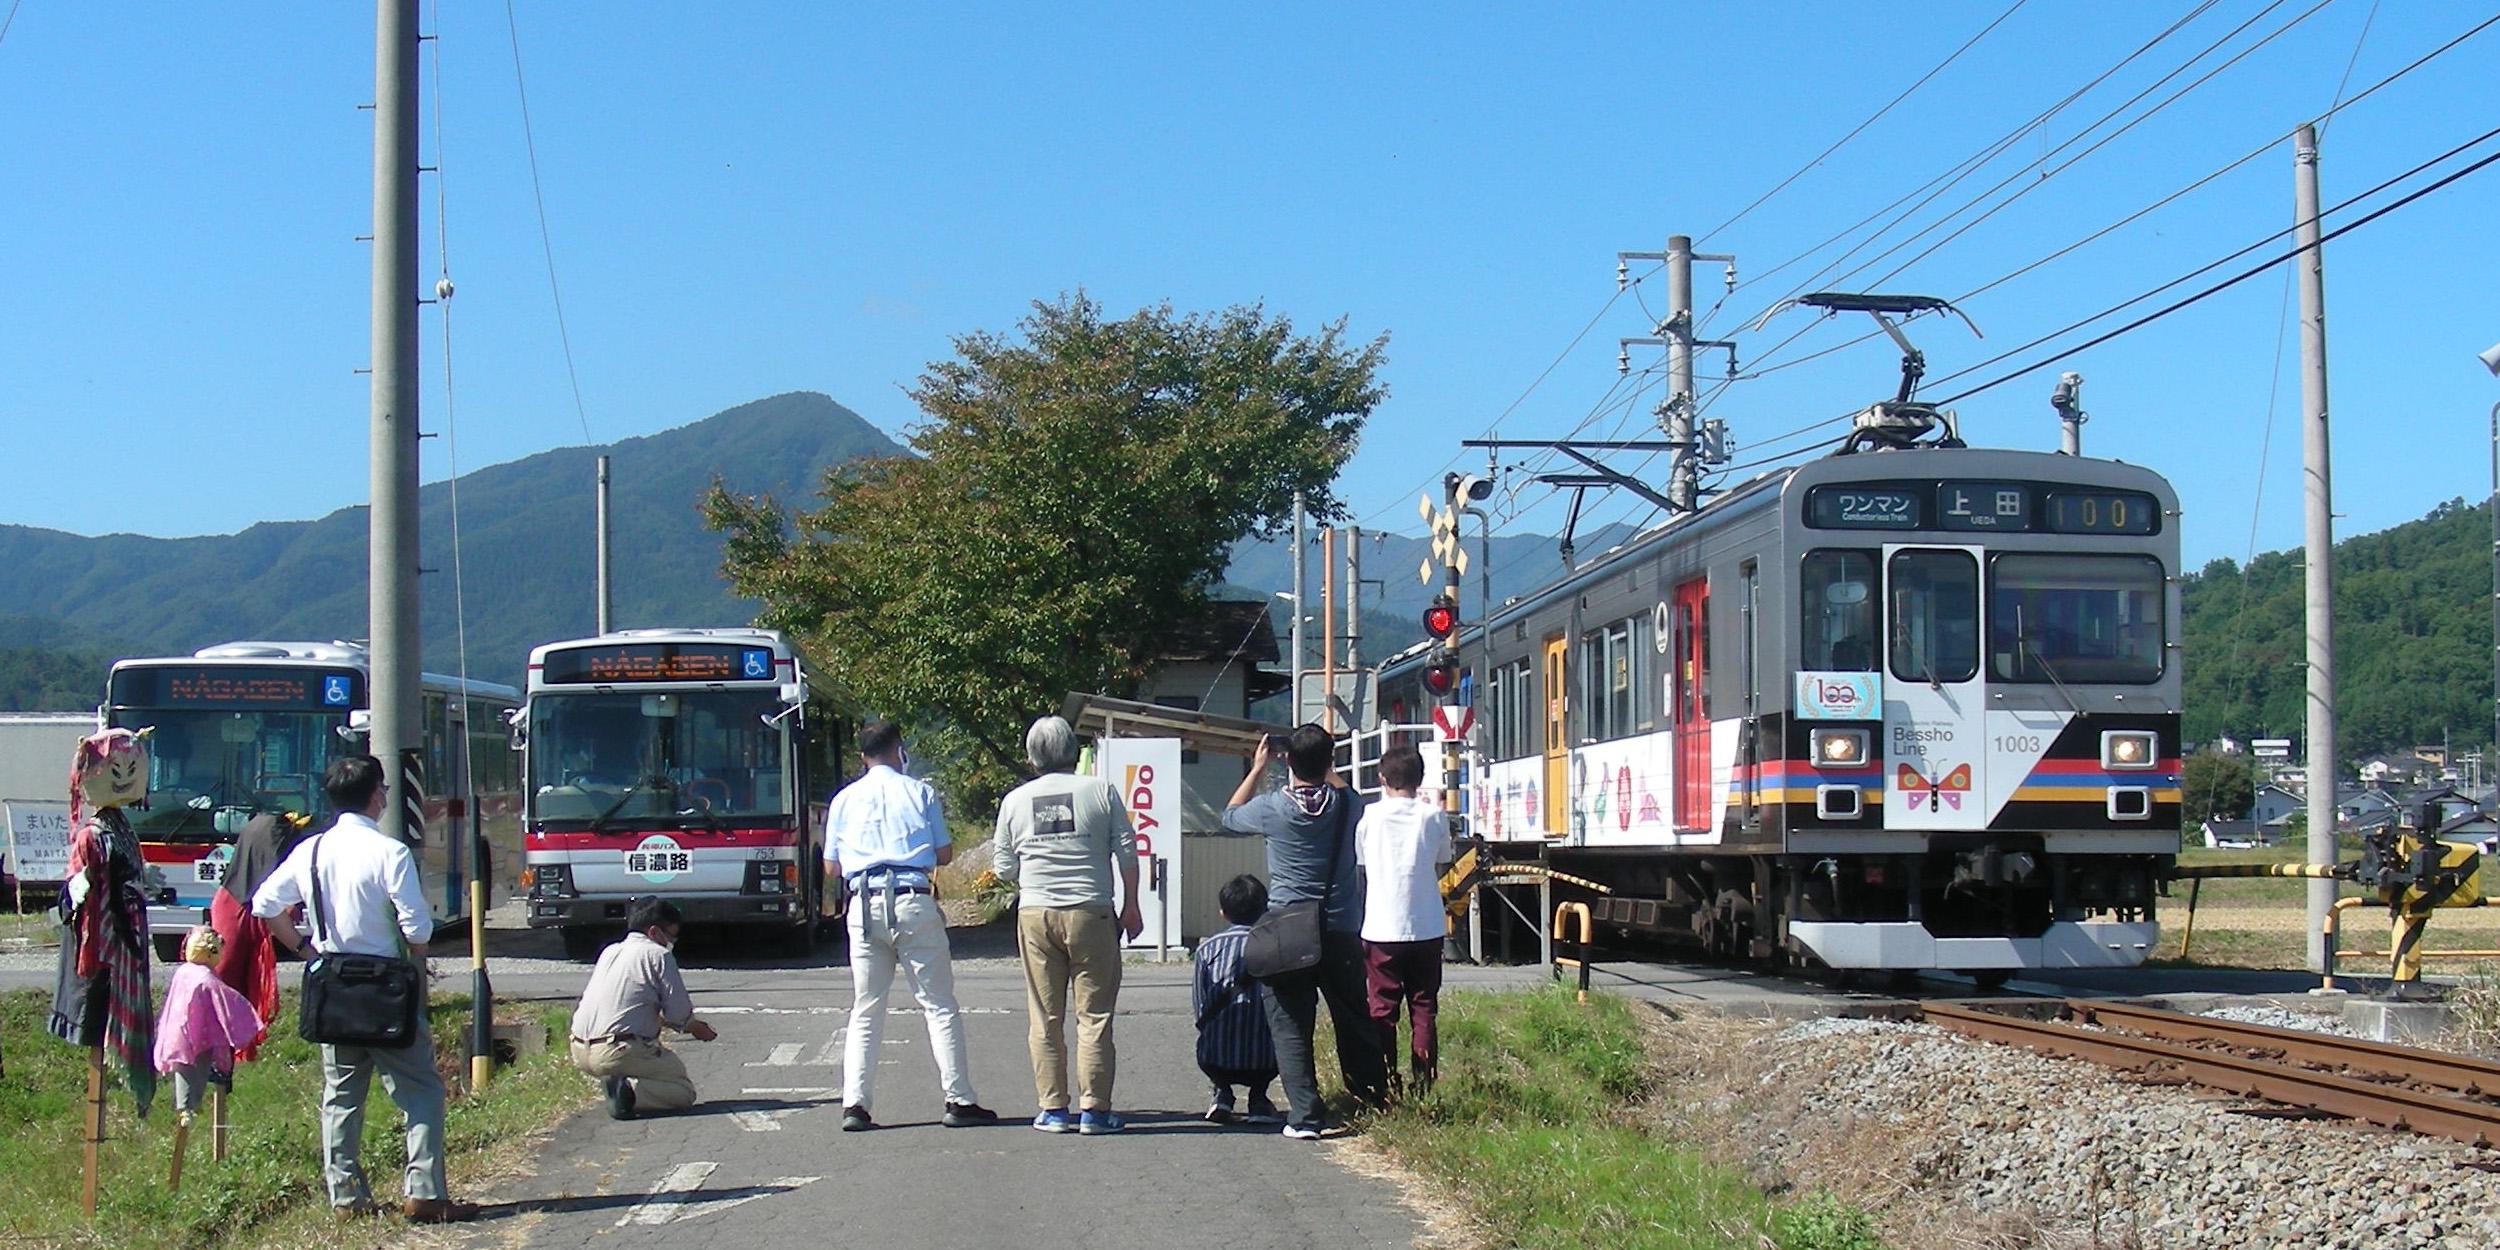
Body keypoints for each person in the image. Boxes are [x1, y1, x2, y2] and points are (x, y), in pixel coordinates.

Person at [253, 754, 477, 1223]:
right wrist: (415, 969)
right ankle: (424, 1193)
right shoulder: (389, 852)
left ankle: (347, 1199)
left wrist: (304, 949)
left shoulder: (310, 850)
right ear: (377, 796)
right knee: (421, 1091)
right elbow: (417, 930)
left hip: (333, 985)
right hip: (388, 988)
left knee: (341, 1096)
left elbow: (264, 904)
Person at [823, 719, 996, 1132]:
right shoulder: (921, 791)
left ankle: (855, 1105)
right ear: (900, 749)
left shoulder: (843, 800)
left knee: (866, 1007)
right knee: (937, 1003)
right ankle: (959, 1098)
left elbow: (831, 866)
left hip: (863, 902)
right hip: (912, 898)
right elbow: (945, 853)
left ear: (862, 755)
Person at [1218, 723, 1387, 1138]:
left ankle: (1307, 1116)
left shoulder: (1272, 807)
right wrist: (1323, 761)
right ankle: (1371, 1100)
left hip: (1289, 931)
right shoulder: (1348, 805)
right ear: (1331, 761)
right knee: (1354, 1017)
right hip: (1341, 927)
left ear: (1287, 760)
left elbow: (1229, 816)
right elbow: (1344, 789)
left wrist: (1258, 768)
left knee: (1291, 1021)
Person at [992, 715, 1144, 1134]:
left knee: (1045, 1016)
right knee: (1094, 1015)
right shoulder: (1100, 790)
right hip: (1092, 911)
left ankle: (1053, 1109)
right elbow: (1127, 852)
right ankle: (1095, 1110)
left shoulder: (1015, 801)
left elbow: (1003, 866)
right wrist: (1131, 907)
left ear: (1031, 756)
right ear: (1074, 753)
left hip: (1036, 913)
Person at [1355, 746, 1453, 1092]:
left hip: (1382, 924)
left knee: (1382, 1009)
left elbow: (1362, 864)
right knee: (1424, 1006)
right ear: (1420, 779)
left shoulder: (1369, 817)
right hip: (1426, 923)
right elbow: (1443, 860)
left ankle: (1384, 1081)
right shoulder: (1434, 816)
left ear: (1382, 778)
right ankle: (1423, 1082)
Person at [568, 896, 717, 1119]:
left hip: (579, 1049)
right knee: (682, 1090)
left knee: (660, 1063)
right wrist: (697, 1028)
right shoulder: (658, 954)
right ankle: (627, 1092)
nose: (672, 941)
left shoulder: (610, 951)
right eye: (672, 935)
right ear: (655, 932)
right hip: (617, 1051)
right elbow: (678, 1014)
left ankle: (616, 1082)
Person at [1191, 874, 1280, 1125]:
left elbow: (1200, 1007)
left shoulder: (1207, 949)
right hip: (1265, 1059)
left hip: (1216, 1057)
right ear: (1265, 910)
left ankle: (1222, 1092)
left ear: (1223, 913)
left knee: (1209, 1035)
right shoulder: (1276, 945)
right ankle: (1259, 1098)